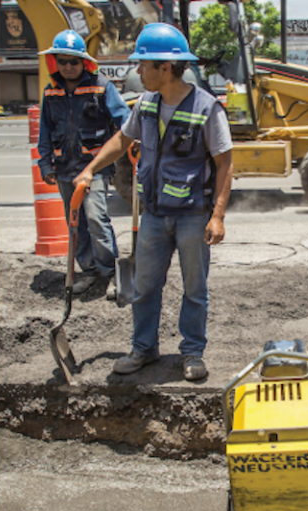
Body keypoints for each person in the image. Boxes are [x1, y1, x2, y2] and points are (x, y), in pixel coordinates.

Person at [73, 23, 233, 381]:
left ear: (165, 67)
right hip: (155, 215)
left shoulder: (207, 107)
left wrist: (217, 216)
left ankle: (192, 352)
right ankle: (143, 349)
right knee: (145, 286)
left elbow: (225, 164)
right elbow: (121, 138)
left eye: (143, 65)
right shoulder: (145, 104)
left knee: (195, 289)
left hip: (193, 215)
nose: (137, 71)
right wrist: (90, 169)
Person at [37, 29, 131, 297]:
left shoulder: (101, 86)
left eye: (73, 61)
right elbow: (45, 132)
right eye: (62, 61)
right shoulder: (51, 92)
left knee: (96, 219)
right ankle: (90, 272)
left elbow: (125, 120)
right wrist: (46, 166)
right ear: (55, 61)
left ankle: (111, 272)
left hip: (96, 168)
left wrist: (131, 145)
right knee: (75, 223)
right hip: (65, 169)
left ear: (84, 63)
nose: (68, 67)